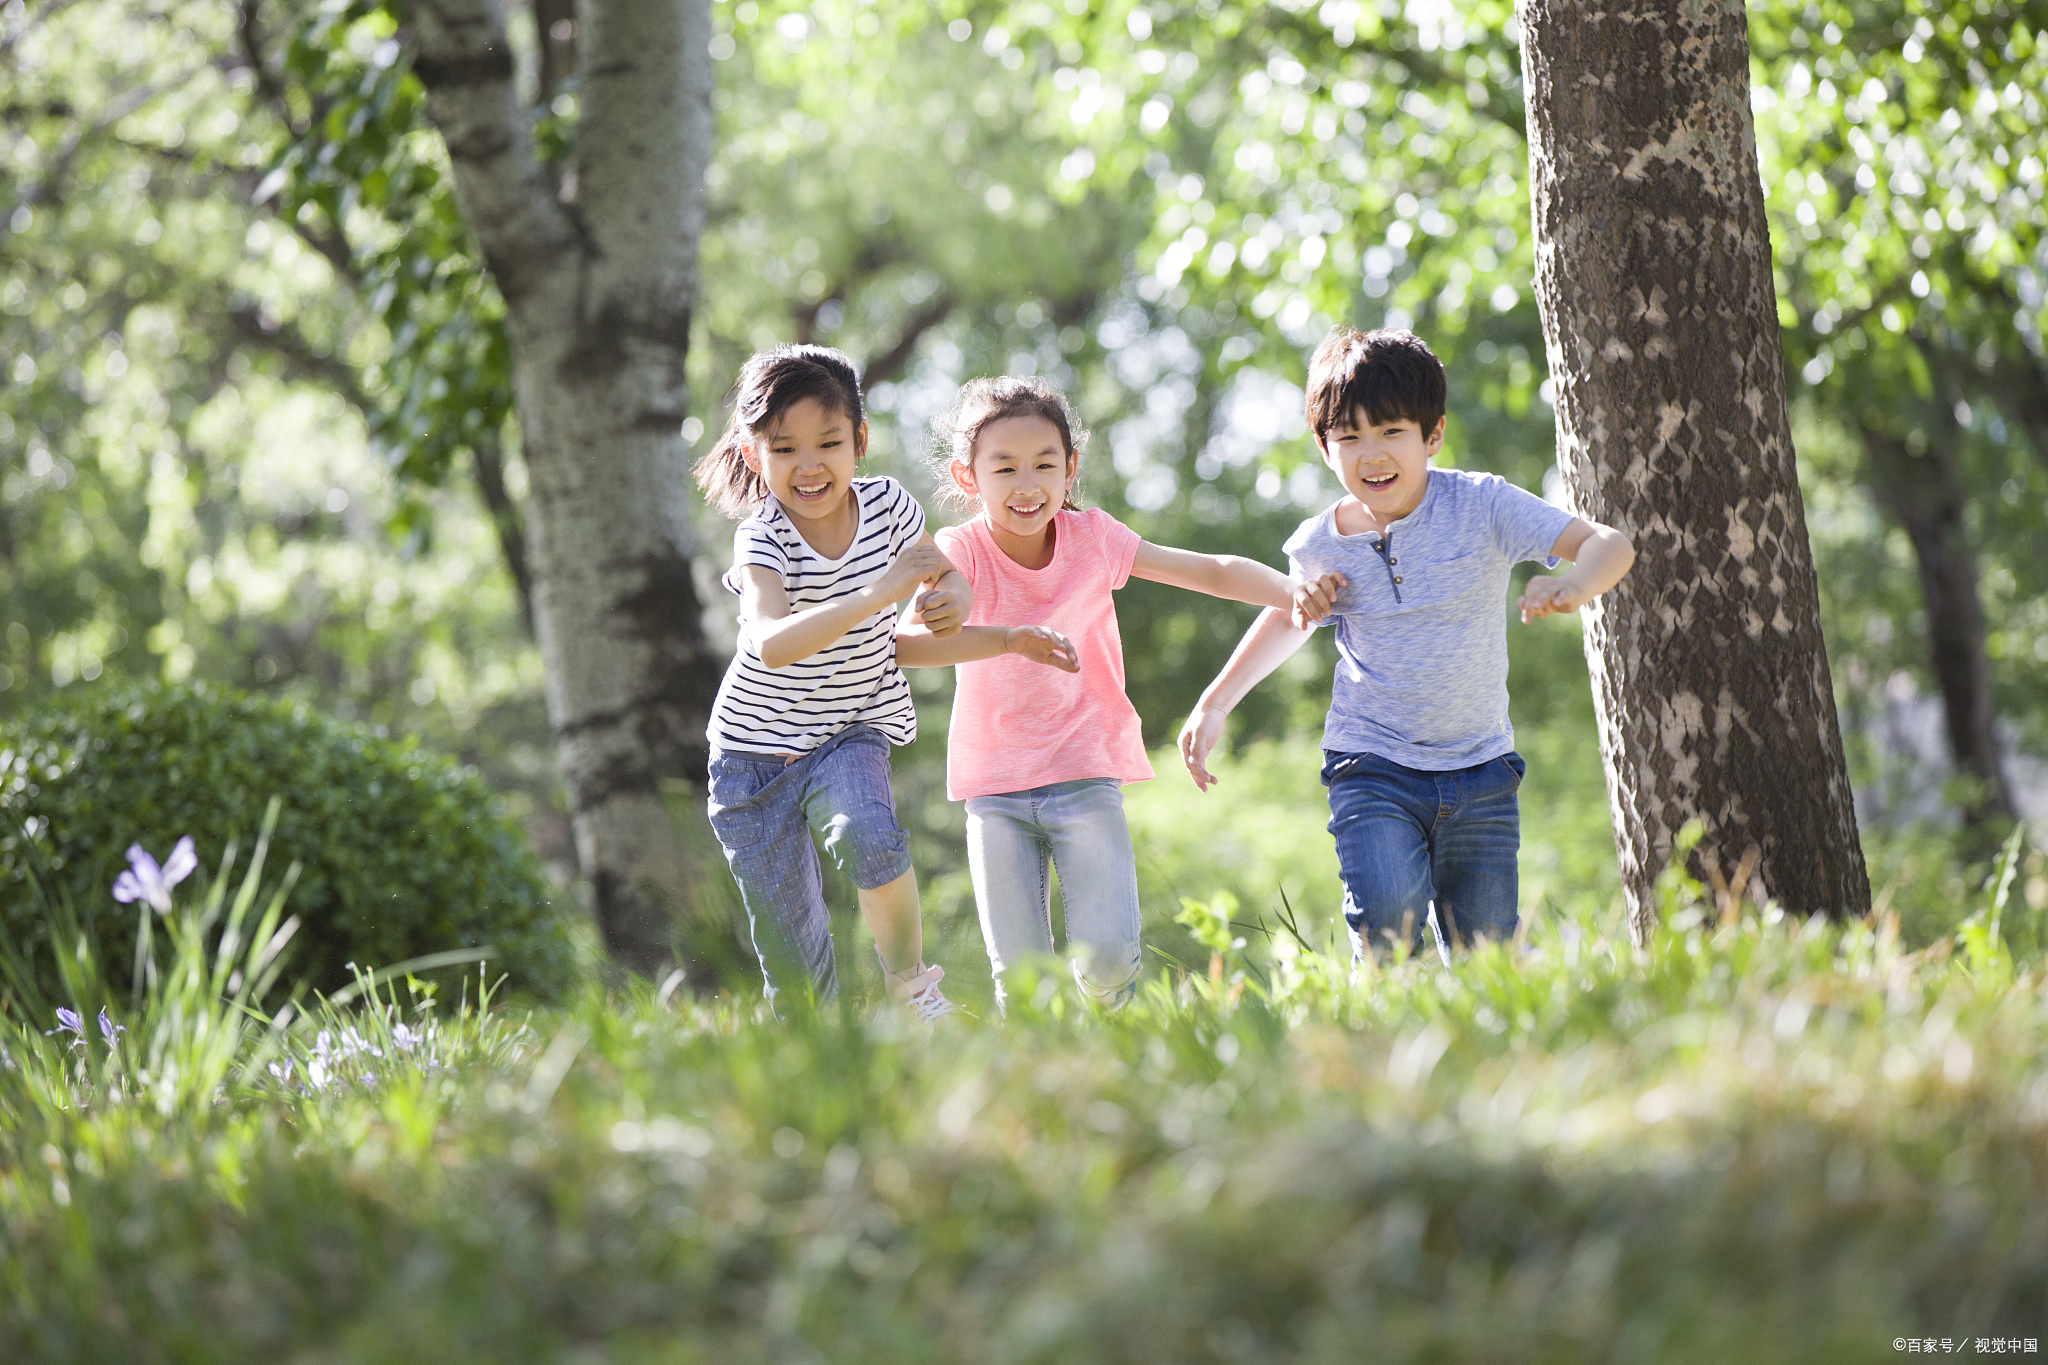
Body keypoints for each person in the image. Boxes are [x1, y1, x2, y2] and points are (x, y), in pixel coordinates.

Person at [1177, 327, 1635, 962]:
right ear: (1323, 447)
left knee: (1489, 959)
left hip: (1481, 770)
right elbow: (1287, 617)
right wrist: (1215, 703)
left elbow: (1610, 544)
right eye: (1349, 437)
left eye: (1391, 431)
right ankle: (1380, 1030)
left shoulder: (1482, 506)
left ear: (1433, 434)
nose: (1371, 454)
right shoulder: (1318, 543)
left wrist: (1574, 585)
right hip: (1372, 767)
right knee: (1387, 922)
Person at [896, 375, 1328, 1009]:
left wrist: (1294, 593)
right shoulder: (957, 551)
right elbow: (908, 644)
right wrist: (1008, 637)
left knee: (1107, 962)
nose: (1026, 484)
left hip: (1084, 772)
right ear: (968, 479)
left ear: (1070, 470)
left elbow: (1209, 571)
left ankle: (1112, 1062)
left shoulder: (1093, 540)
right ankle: (1038, 1090)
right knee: (1022, 982)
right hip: (994, 788)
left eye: (1045, 464)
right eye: (1005, 467)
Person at [693, 343, 973, 1021]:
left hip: (850, 730)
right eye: (785, 448)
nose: (810, 465)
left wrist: (954, 596)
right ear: (755, 454)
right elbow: (772, 641)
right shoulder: (763, 539)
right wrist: (881, 595)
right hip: (751, 762)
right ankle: (815, 1052)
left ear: (860, 439)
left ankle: (913, 992)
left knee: (868, 834)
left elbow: (941, 571)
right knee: (798, 967)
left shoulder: (889, 507)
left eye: (828, 442)